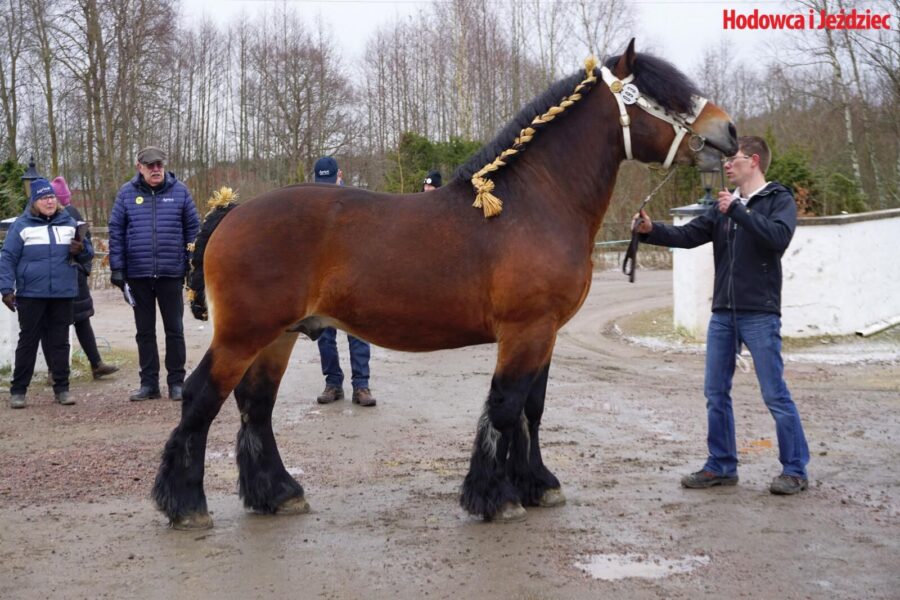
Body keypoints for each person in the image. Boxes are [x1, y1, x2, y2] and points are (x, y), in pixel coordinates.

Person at [633, 135, 810, 495]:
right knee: (715, 393)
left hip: (760, 313)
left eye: (735, 159)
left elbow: (777, 238)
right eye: (727, 160)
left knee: (775, 394)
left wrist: (739, 212)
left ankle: (794, 470)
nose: (727, 165)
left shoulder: (779, 199)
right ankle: (721, 466)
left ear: (755, 161)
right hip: (723, 315)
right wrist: (651, 232)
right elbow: (687, 235)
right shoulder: (724, 207)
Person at [108, 147, 200, 402]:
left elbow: (193, 230)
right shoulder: (126, 194)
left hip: (171, 273)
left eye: (159, 164)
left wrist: (193, 264)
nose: (156, 169)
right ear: (139, 167)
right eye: (150, 165)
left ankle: (177, 383)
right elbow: (116, 230)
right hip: (138, 275)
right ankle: (149, 384)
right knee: (144, 331)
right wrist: (117, 268)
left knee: (175, 329)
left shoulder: (180, 191)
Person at [1, 178, 93, 408]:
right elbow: (7, 258)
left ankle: (62, 388)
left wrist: (81, 249)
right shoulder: (22, 226)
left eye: (51, 197)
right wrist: (5, 288)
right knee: (28, 342)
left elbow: (86, 255)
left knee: (60, 343)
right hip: (31, 293)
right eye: (44, 198)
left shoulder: (69, 223)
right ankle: (18, 390)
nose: (49, 201)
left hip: (62, 293)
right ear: (35, 201)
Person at [312, 156, 376, 407]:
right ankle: (333, 383)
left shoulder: (356, 203)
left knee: (358, 332)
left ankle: (361, 385)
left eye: (330, 181)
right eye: (322, 182)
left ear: (340, 174)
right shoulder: (313, 206)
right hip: (324, 282)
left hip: (353, 280)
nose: (327, 188)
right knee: (325, 336)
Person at [39, 177, 119, 380]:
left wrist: (83, 264)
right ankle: (54, 370)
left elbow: (87, 242)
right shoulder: (40, 218)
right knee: (51, 326)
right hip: (55, 279)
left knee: (82, 320)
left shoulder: (73, 213)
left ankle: (96, 363)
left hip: (75, 277)